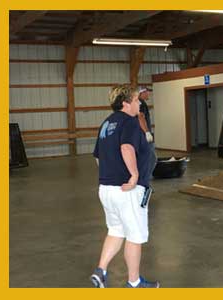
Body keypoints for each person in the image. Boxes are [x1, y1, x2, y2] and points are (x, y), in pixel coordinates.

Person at [90, 85, 160, 288]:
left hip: (107, 188)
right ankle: (134, 281)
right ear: (125, 103)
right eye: (137, 100)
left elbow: (98, 157)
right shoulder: (129, 122)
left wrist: (109, 176)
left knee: (116, 230)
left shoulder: (106, 123)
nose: (140, 103)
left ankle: (101, 271)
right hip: (128, 190)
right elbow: (127, 147)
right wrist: (134, 175)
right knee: (135, 235)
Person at [138, 87, 157, 181]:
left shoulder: (141, 103)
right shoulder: (141, 103)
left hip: (142, 135)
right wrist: (147, 132)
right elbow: (140, 117)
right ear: (142, 93)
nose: (148, 94)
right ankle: (145, 181)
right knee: (152, 158)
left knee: (145, 158)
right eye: (147, 92)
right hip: (143, 136)